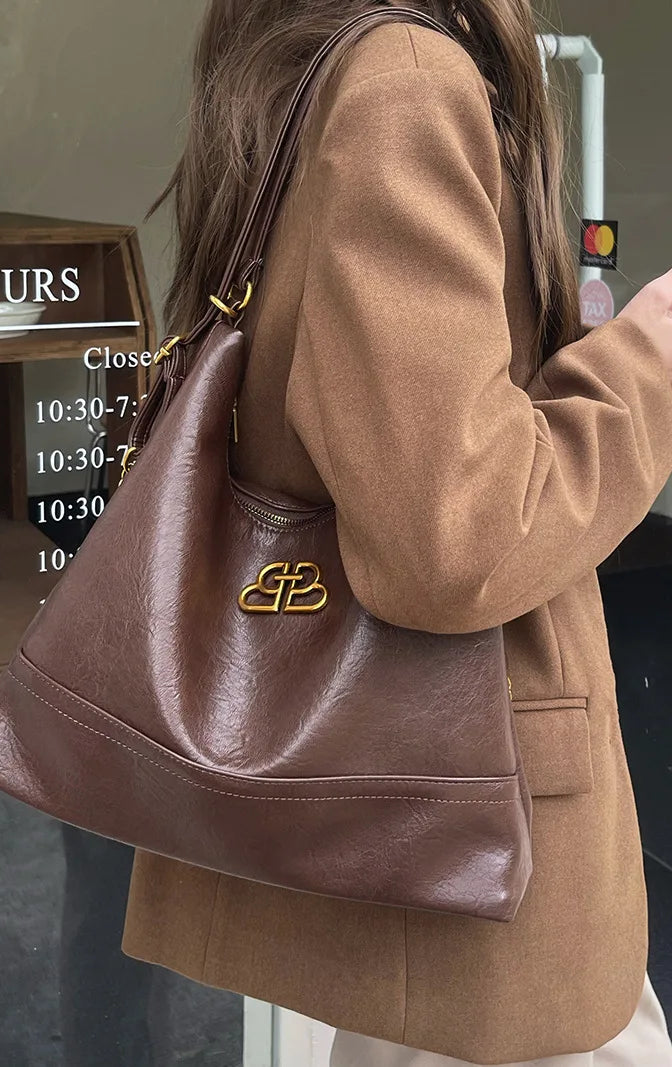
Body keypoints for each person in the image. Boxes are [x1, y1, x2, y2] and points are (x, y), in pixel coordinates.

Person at [119, 1, 672, 1063]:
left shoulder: (314, 67)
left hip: (423, 811)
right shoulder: (403, 79)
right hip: (471, 819)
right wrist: (649, 358)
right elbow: (454, 540)